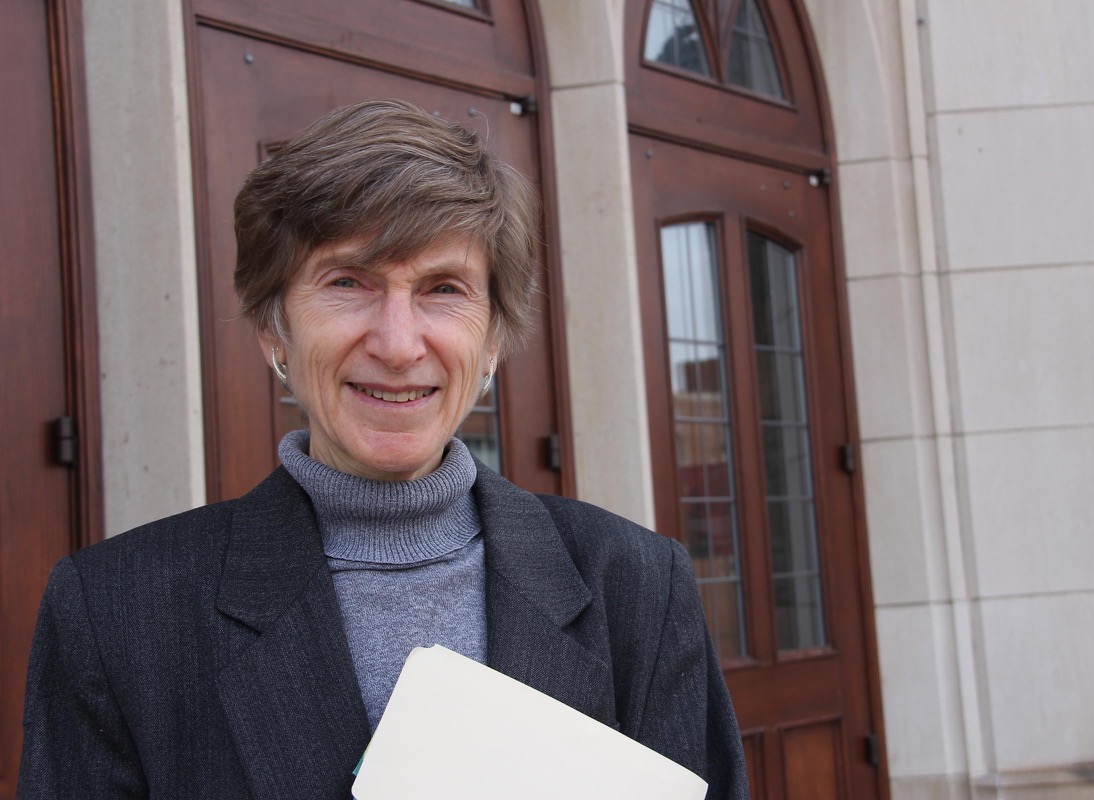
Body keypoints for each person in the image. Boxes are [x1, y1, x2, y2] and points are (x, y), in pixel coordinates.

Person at [18, 99, 749, 799]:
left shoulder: (639, 587)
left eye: (442, 289)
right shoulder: (114, 612)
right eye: (347, 282)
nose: (399, 345)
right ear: (275, 330)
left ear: (492, 338)